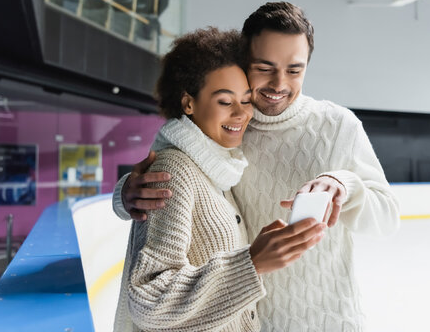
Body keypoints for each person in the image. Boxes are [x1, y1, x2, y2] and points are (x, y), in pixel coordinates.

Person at [114, 2, 400, 331]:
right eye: (264, 67)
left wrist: (345, 185)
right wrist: (125, 194)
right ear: (243, 62)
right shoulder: (228, 129)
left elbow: (387, 218)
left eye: (294, 70)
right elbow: (173, 166)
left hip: (330, 319)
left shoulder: (338, 126)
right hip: (252, 320)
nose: (279, 83)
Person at [113, 27, 327, 332]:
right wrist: (252, 264)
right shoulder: (176, 169)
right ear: (188, 104)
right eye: (225, 102)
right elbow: (150, 300)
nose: (241, 114)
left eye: (246, 100)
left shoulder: (218, 167)